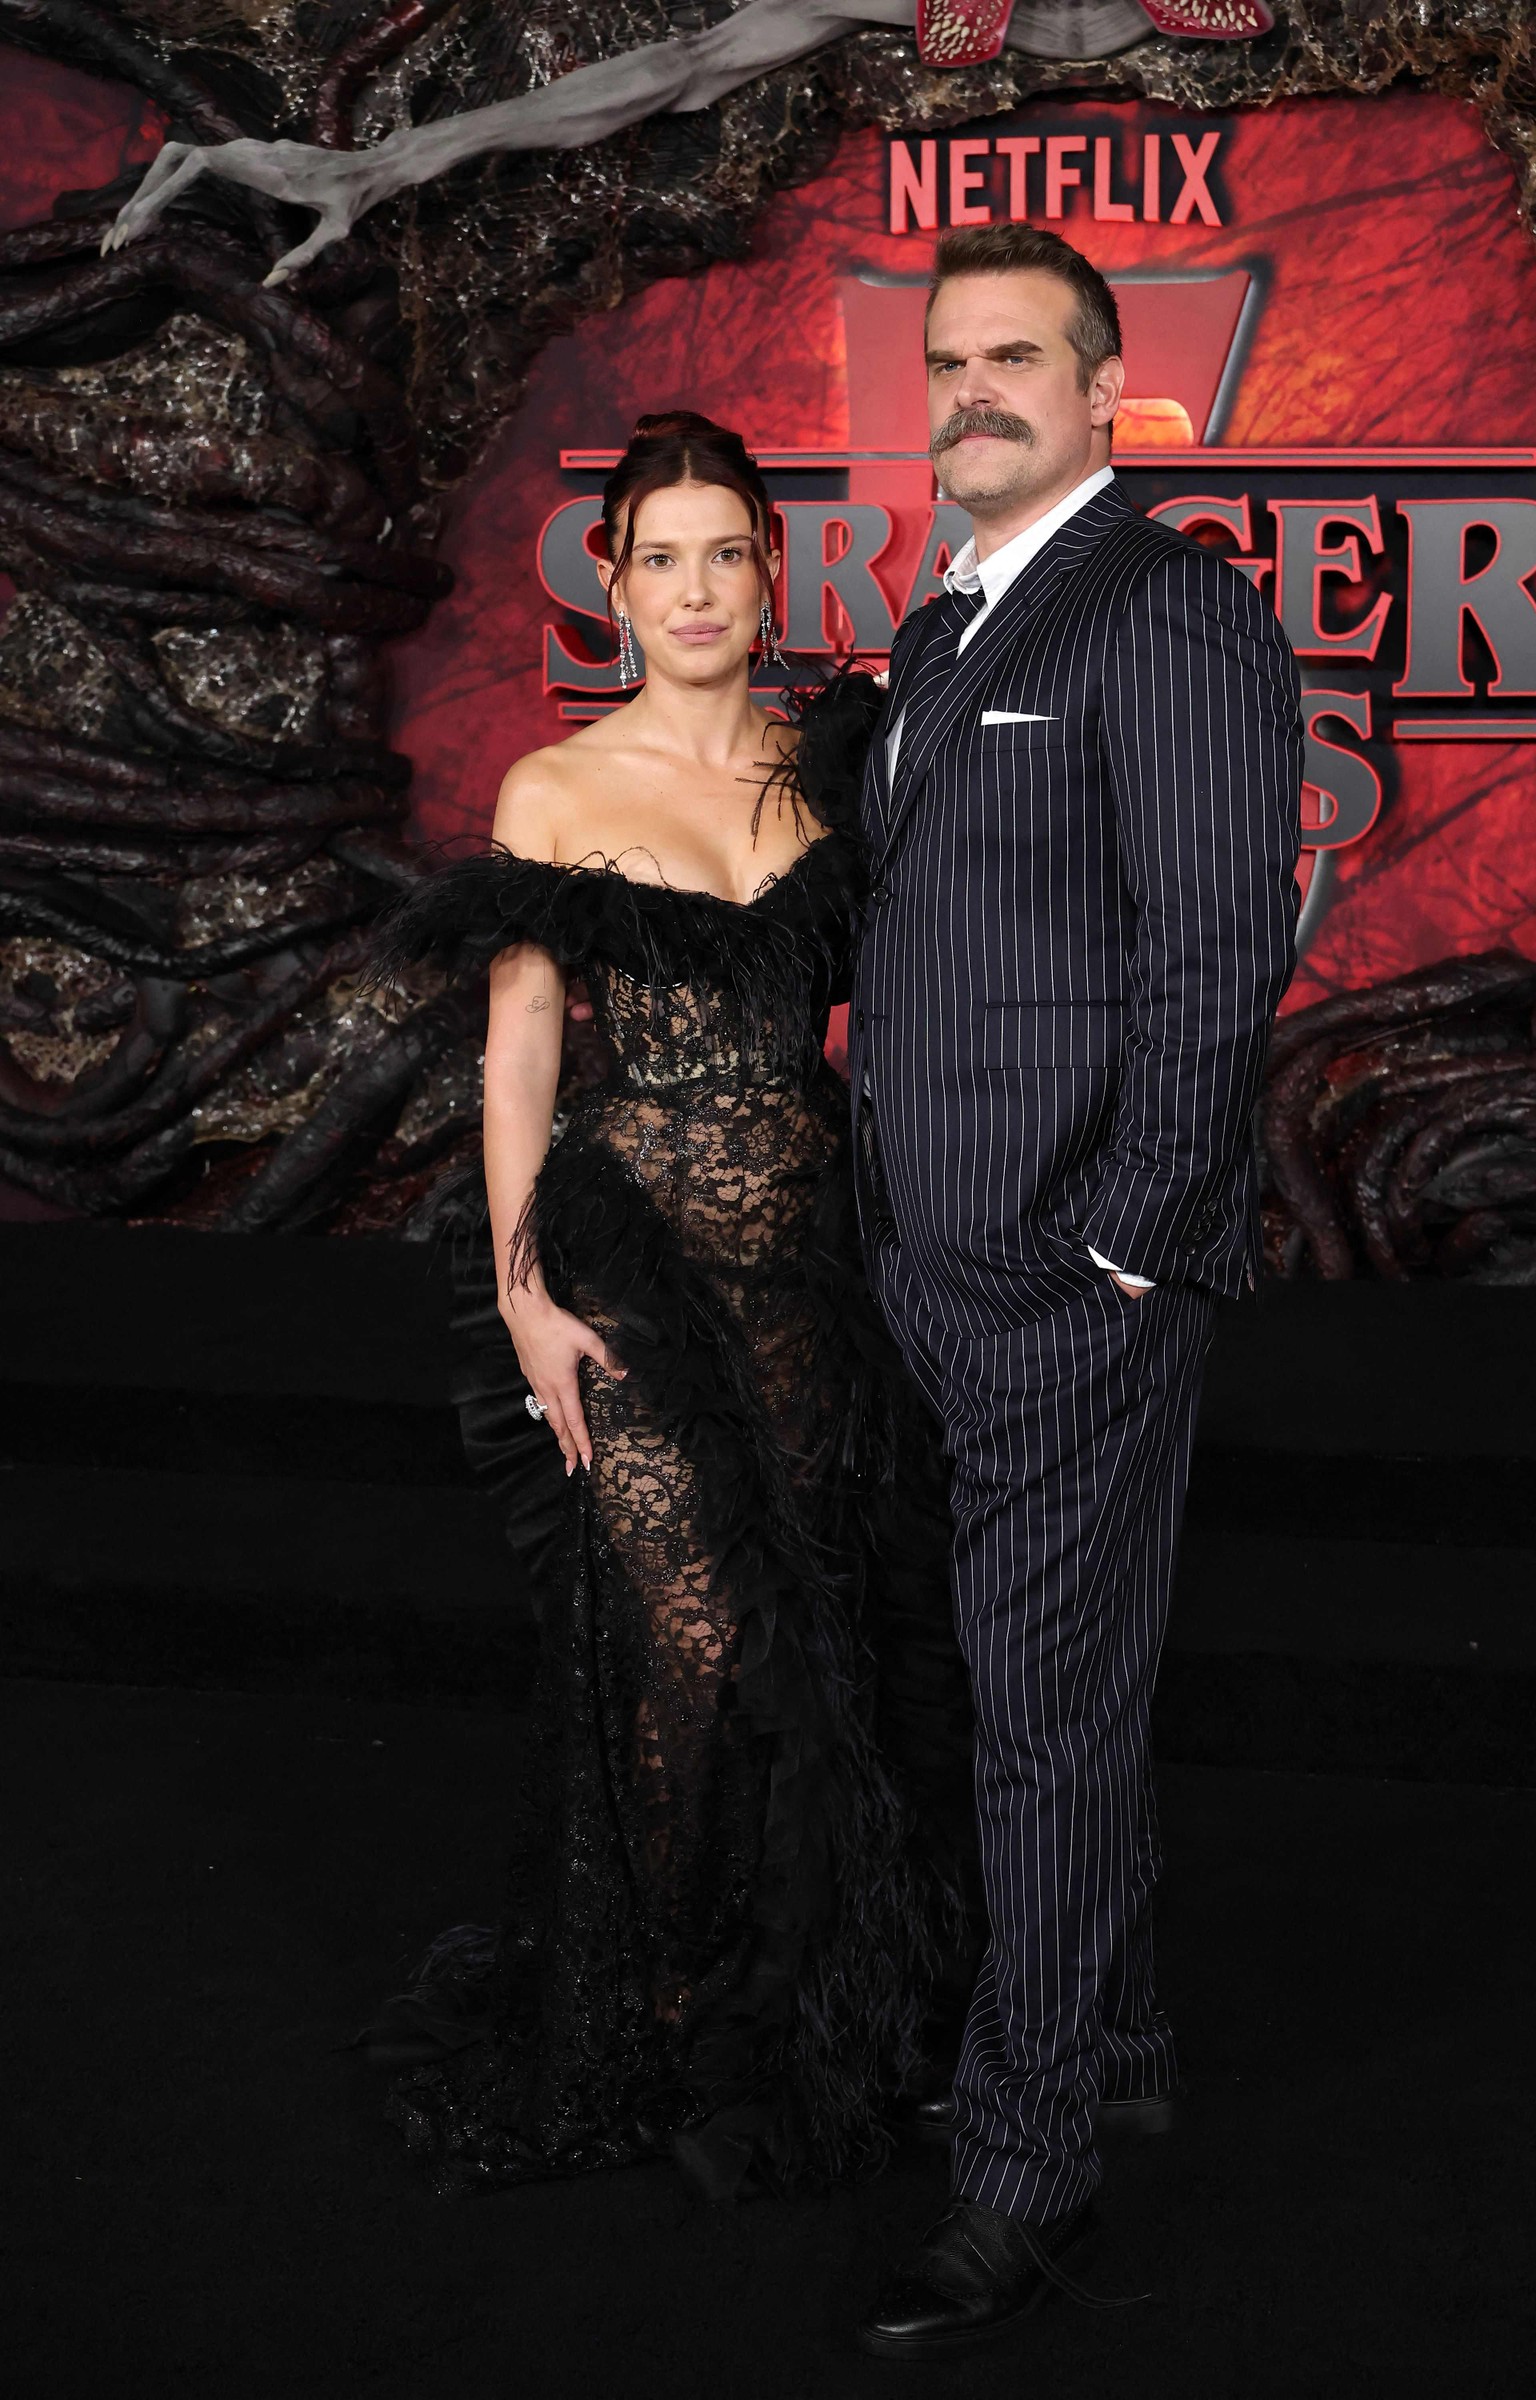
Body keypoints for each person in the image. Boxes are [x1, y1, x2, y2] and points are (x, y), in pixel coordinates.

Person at [363, 411, 974, 2199]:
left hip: (811, 1262)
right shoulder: (557, 788)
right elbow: (523, 1052)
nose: (696, 588)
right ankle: (662, 1993)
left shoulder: (821, 773)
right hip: (626, 1259)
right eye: (662, 559)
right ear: (612, 586)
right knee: (692, 1637)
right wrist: (524, 1302)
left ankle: (796, 2001)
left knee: (827, 1630)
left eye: (728, 554)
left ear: (767, 577)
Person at [849, 223, 1304, 2356]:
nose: (971, 390)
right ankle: (1109, 2041)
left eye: (1016, 355)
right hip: (924, 1264)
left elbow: (1214, 962)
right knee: (1036, 1699)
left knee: (1036, 1728)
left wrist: (1118, 1239)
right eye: (947, 358)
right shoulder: (942, 618)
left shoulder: (1167, 611)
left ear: (1107, 380)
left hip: (1064, 1278)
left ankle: (1019, 2177)